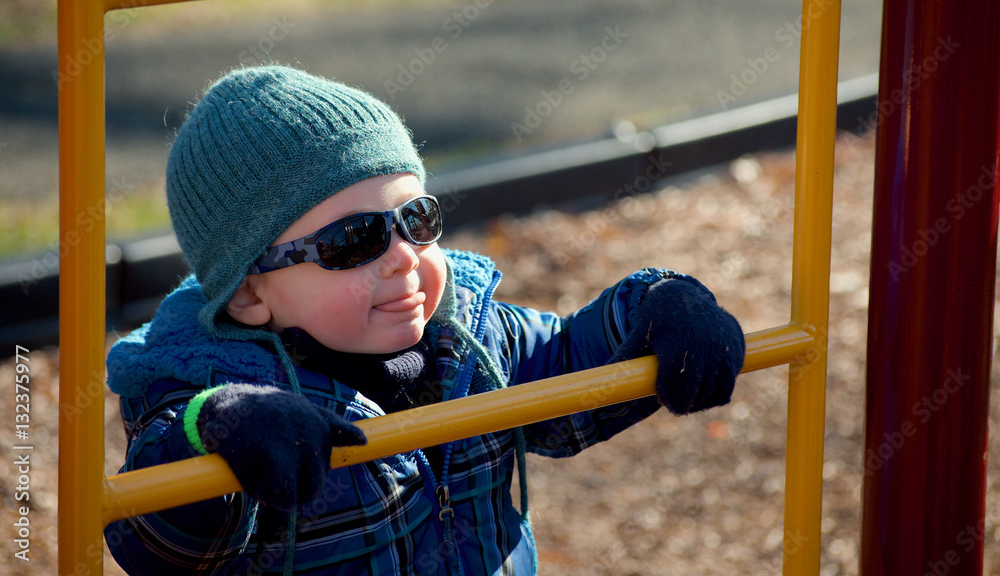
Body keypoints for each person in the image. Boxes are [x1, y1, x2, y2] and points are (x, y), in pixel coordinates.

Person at [104, 65, 745, 575]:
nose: (403, 259)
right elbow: (158, 543)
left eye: (417, 221)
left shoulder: (466, 336)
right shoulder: (214, 393)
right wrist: (213, 430)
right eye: (353, 242)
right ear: (249, 296)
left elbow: (569, 366)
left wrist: (660, 305)